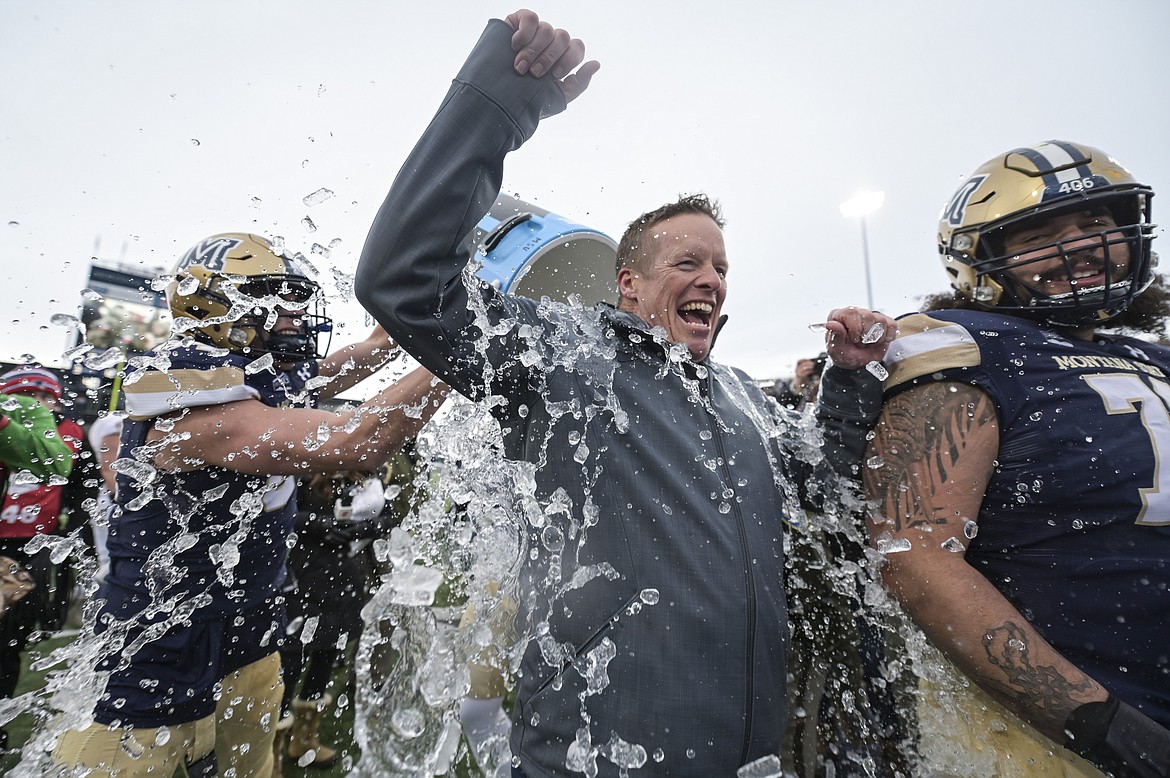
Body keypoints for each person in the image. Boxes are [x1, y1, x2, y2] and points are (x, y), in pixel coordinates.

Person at [353, 10, 896, 777]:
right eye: (687, 263)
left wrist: (847, 382)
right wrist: (498, 107)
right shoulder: (564, 357)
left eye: (722, 268)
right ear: (629, 285)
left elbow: (827, 491)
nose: (712, 279)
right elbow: (401, 281)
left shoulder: (744, 398)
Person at [46, 233, 446, 778]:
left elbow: (368, 350)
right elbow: (359, 438)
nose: (294, 313)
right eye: (271, 295)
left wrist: (441, 295)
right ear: (206, 301)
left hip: (248, 644)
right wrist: (460, 352)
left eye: (295, 297)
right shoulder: (189, 407)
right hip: (152, 670)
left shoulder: (260, 378)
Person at [863, 140, 1170, 777]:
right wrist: (1101, 723)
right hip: (1061, 737)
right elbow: (913, 554)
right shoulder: (965, 344)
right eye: (1040, 233)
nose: (1080, 245)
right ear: (983, 258)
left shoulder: (1154, 355)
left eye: (1094, 222)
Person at [0, 366, 87, 750]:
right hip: (3, 543)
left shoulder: (69, 432)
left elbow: (71, 478)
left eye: (46, 397)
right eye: (28, 395)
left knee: (11, 641)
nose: (38, 404)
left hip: (33, 548)